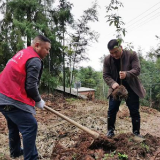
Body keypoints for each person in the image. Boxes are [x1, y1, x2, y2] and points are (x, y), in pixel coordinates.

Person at [0, 35, 51, 159]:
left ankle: (15, 151)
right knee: (30, 125)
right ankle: (31, 157)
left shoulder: (23, 53)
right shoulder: (35, 59)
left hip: (2, 96)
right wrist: (38, 100)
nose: (48, 53)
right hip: (11, 98)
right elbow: (31, 86)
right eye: (47, 49)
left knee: (13, 124)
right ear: (37, 45)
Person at [103, 39, 146, 138]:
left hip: (131, 87)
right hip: (116, 88)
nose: (114, 55)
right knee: (112, 109)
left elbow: (137, 70)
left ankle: (136, 133)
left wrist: (127, 74)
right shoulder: (107, 59)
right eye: (111, 53)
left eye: (116, 52)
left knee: (134, 110)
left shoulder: (132, 54)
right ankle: (110, 131)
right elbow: (106, 75)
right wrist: (112, 83)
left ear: (121, 47)